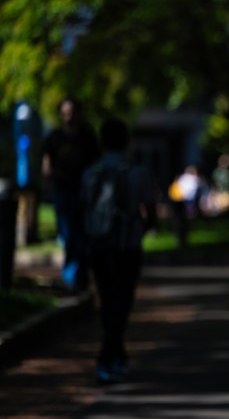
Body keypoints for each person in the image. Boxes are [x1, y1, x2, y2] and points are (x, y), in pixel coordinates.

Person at [81, 118, 156, 384]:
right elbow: (151, 212)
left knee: (107, 300)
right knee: (122, 302)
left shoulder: (91, 173)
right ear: (126, 142)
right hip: (127, 246)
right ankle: (108, 356)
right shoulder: (137, 172)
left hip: (99, 244)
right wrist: (137, 231)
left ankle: (114, 355)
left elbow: (84, 209)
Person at [42, 98, 100, 292]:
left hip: (83, 193)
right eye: (65, 112)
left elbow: (95, 164)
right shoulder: (54, 137)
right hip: (62, 192)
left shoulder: (87, 136)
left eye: (72, 111)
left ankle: (78, 276)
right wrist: (49, 180)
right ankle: (73, 276)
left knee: (81, 235)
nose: (68, 116)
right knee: (68, 235)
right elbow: (47, 161)